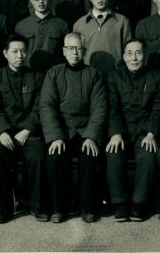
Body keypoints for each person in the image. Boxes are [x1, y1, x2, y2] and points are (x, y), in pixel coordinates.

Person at [38, 33, 109, 223]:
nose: (74, 52)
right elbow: (47, 106)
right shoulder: (54, 73)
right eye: (70, 48)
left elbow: (100, 108)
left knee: (90, 155)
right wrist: (56, 136)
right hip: (62, 130)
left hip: (85, 130)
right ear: (64, 51)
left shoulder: (94, 74)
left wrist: (91, 136)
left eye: (78, 48)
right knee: (55, 156)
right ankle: (58, 208)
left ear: (84, 51)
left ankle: (87, 207)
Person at [0, 36, 46, 223]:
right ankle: (3, 207)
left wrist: (27, 130)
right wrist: (2, 132)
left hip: (29, 131)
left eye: (23, 51)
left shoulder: (37, 77)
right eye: (15, 51)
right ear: (5, 54)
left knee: (38, 155)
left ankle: (37, 204)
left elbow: (40, 107)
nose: (20, 55)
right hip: (4, 131)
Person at [105, 39, 160, 223]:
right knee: (113, 154)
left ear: (144, 56)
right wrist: (115, 133)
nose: (134, 58)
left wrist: (151, 133)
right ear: (124, 57)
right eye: (130, 53)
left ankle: (138, 203)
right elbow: (113, 109)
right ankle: (120, 203)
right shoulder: (114, 77)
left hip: (144, 131)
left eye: (138, 53)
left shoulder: (156, 77)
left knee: (148, 155)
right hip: (122, 131)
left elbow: (159, 109)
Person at [15, 0, 70, 72]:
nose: (40, 1)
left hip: (54, 74)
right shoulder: (21, 26)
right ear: (31, 0)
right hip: (28, 74)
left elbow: (67, 55)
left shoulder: (63, 25)